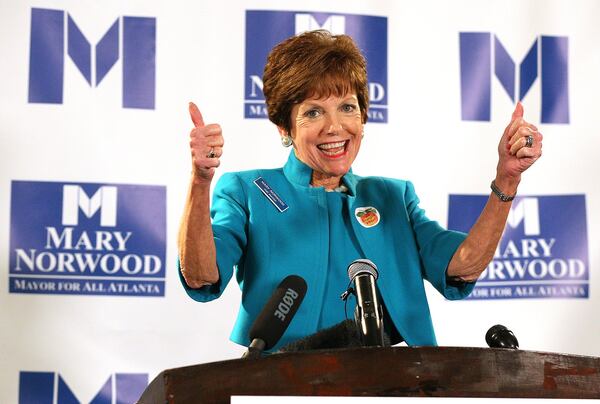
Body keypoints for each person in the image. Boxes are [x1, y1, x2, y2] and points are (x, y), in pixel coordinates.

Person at [177, 30, 542, 350]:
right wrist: (200, 181)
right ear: (284, 128)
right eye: (313, 112)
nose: (335, 127)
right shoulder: (248, 190)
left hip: (392, 382)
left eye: (347, 108)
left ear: (363, 118)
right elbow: (201, 274)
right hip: (279, 384)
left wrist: (506, 180)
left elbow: (462, 266)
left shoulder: (394, 197)